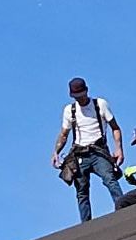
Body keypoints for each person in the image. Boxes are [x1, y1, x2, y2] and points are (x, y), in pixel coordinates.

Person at [52, 77, 125, 221]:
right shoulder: (70, 110)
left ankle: (123, 209)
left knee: (110, 179)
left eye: (81, 95)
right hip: (79, 154)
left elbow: (115, 128)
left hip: (98, 151)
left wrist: (119, 149)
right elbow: (64, 134)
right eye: (76, 97)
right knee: (81, 191)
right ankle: (86, 223)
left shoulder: (100, 104)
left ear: (86, 91)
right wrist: (56, 152)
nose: (79, 99)